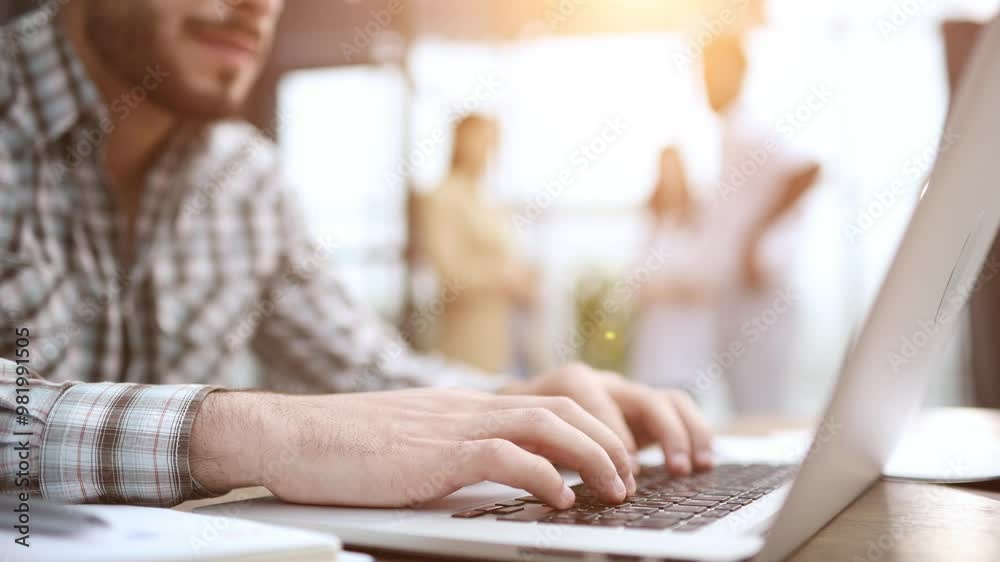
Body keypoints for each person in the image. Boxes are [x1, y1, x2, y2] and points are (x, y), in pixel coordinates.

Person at [0, 0, 713, 510]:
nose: (257, 7)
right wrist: (259, 434)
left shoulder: (245, 178)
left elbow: (365, 369)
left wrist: (512, 406)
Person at [700, 35, 821, 413]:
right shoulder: (727, 133)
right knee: (744, 402)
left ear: (738, 73)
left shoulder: (749, 130)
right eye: (702, 74)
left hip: (759, 297)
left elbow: (807, 170)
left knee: (760, 406)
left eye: (712, 72)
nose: (705, 83)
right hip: (736, 293)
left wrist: (754, 240)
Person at [420, 115, 538, 373]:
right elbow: (448, 272)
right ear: (461, 142)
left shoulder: (486, 199)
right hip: (467, 340)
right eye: (481, 139)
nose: (488, 149)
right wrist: (502, 277)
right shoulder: (443, 197)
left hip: (503, 337)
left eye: (493, 141)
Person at [629, 147, 718, 389]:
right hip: (655, 343)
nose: (669, 178)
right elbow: (635, 282)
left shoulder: (701, 220)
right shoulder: (653, 219)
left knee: (685, 396)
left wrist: (671, 289)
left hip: (688, 343)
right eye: (663, 171)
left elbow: (708, 284)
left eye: (673, 171)